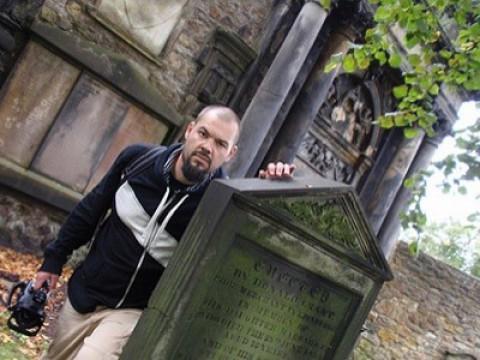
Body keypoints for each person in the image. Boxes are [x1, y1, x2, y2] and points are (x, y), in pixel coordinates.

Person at [35, 105, 295, 360]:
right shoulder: (137, 160)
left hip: (135, 313)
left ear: (230, 154)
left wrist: (271, 195)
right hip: (85, 294)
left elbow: (252, 253)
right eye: (203, 134)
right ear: (189, 130)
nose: (207, 147)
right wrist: (54, 260)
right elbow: (91, 209)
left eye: (220, 144)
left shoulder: (222, 206)